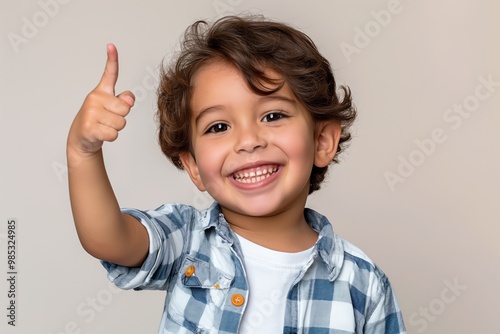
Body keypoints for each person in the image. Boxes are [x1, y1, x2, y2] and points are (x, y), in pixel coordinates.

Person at [67, 15, 406, 333]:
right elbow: (107, 240)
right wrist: (83, 153)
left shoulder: (364, 283)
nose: (248, 141)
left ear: (322, 141)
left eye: (273, 116)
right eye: (218, 126)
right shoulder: (187, 239)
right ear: (194, 167)